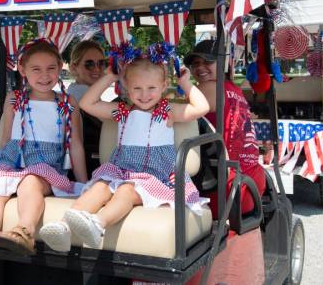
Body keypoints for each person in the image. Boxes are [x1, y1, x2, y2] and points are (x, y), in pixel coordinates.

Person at [39, 53, 209, 252]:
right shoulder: (122, 111)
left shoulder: (166, 111)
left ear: (163, 86)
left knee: (126, 190)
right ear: (127, 87)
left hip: (154, 176)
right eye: (137, 88)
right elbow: (87, 104)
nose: (144, 94)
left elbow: (201, 108)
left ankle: (97, 224)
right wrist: (110, 76)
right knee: (100, 187)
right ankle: (64, 226)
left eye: (151, 88)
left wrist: (185, 83)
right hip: (122, 171)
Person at [0, 40, 88, 285]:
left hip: (46, 165)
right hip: (12, 161)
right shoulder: (15, 98)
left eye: (51, 68)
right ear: (23, 70)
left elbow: (76, 145)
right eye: (36, 69)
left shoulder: (66, 103)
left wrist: (83, 183)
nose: (44, 76)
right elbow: (5, 139)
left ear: (60, 67)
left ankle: (25, 231)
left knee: (30, 181)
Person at [184, 40, 266, 214]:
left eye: (207, 62)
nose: (200, 68)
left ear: (223, 63)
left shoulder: (207, 88)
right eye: (195, 63)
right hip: (251, 181)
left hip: (225, 188)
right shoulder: (234, 89)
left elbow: (172, 117)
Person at [67, 40, 109, 177]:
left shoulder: (79, 91)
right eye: (89, 64)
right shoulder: (79, 95)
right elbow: (112, 122)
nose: (97, 69)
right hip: (88, 164)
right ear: (74, 67)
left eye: (101, 63)